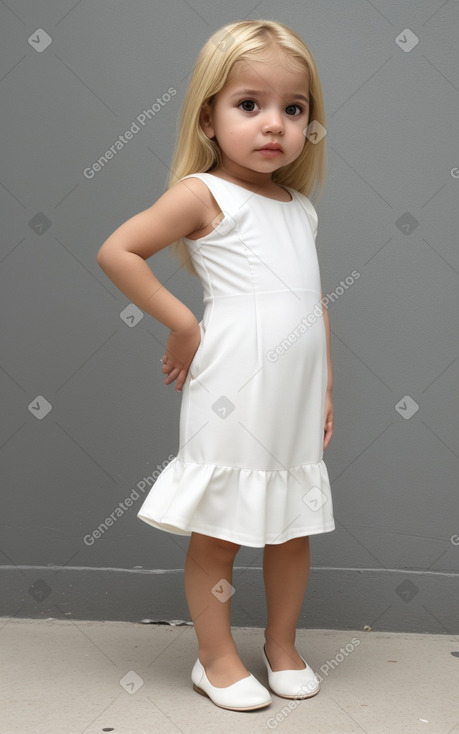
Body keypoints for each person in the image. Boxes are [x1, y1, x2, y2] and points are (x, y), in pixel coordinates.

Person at [97, 18, 335, 712]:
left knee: (292, 525)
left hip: (291, 397)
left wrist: (324, 384)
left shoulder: (298, 209)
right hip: (232, 388)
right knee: (223, 527)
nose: (274, 125)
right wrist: (180, 322)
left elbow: (311, 300)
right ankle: (215, 656)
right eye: (249, 105)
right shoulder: (204, 194)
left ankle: (282, 645)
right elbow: (119, 249)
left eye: (293, 110)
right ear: (208, 116)